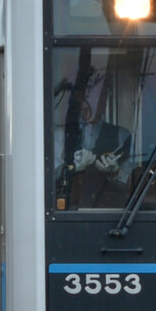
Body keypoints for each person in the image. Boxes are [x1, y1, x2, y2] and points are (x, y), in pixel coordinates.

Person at [54, 64, 132, 208]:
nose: (97, 101)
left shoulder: (122, 136)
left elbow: (130, 183)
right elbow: (48, 178)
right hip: (68, 214)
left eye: (102, 95)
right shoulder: (60, 135)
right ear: (79, 97)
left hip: (112, 215)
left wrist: (115, 172)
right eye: (90, 94)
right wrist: (73, 167)